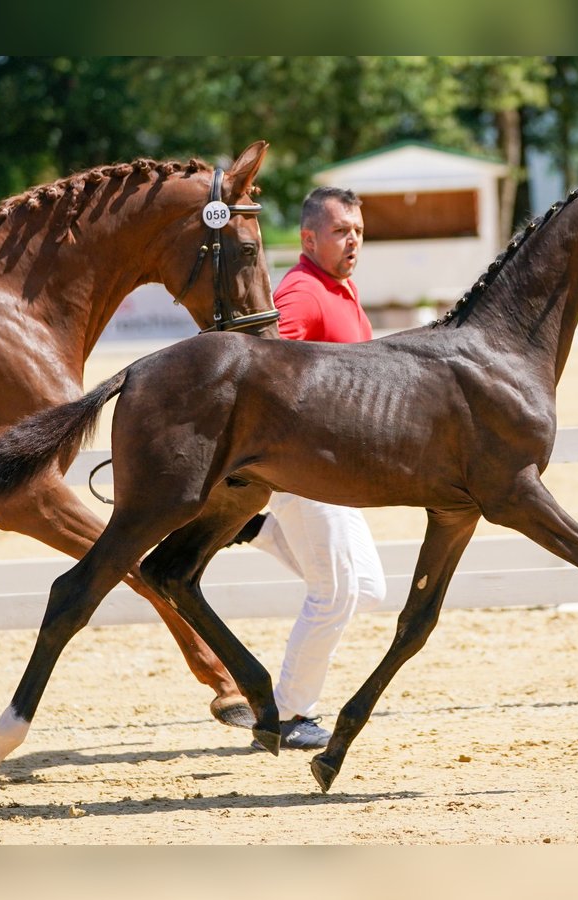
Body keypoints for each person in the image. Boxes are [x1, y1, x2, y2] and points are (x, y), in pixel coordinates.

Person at [231, 186, 387, 750]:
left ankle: (259, 531)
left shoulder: (340, 289)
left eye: (359, 231)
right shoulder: (300, 292)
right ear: (308, 238)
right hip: (308, 470)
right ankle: (290, 715)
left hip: (338, 474)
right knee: (336, 592)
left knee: (367, 588)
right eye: (342, 230)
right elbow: (263, 367)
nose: (353, 240)